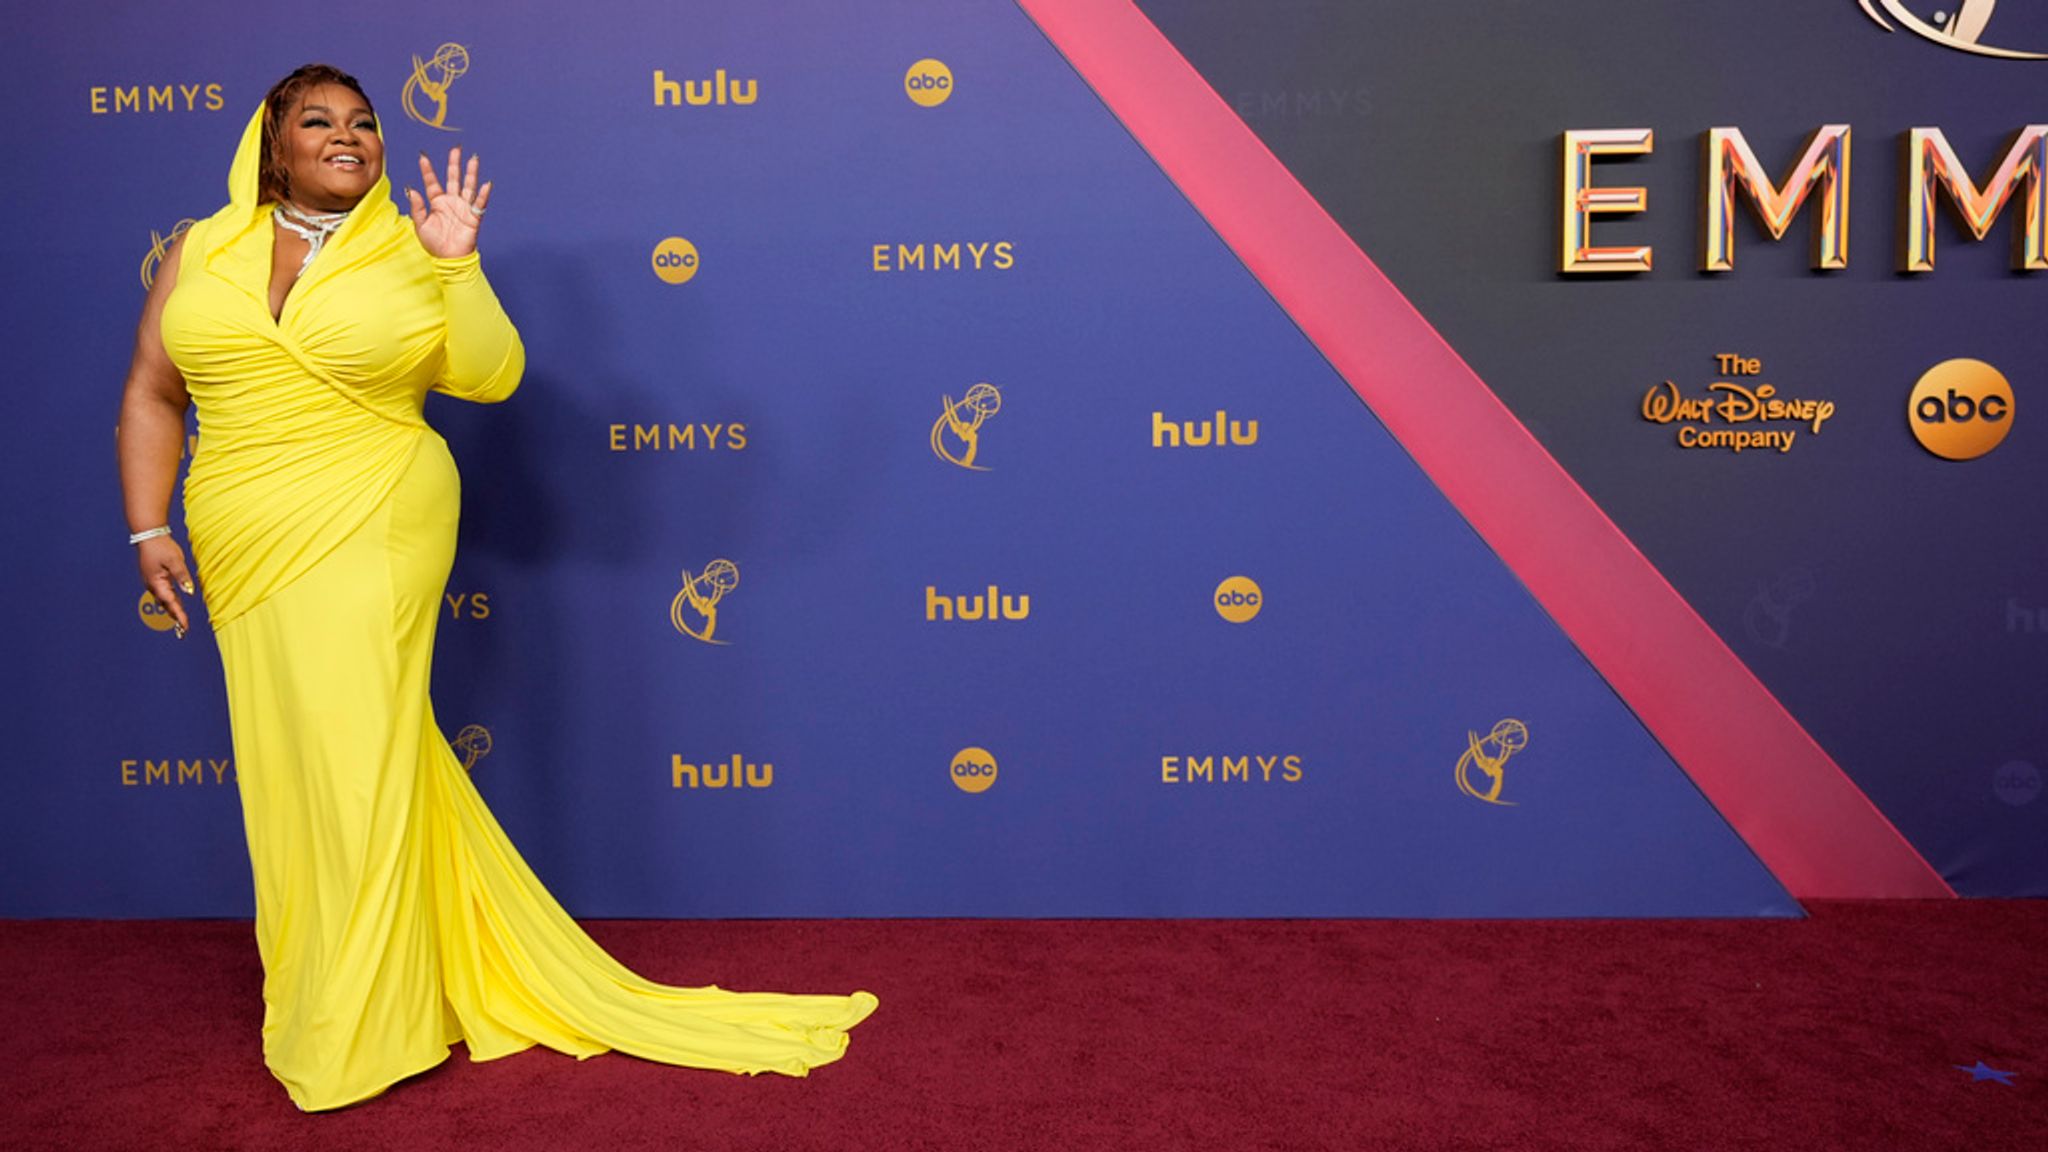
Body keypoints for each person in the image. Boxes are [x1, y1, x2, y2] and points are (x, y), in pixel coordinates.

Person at [115, 64, 876, 1113]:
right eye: (318, 121)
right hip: (241, 531)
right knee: (293, 764)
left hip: (373, 515)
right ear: (270, 144)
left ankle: (363, 1024)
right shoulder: (204, 247)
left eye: (364, 123)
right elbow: (154, 391)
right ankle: (353, 981)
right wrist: (149, 522)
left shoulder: (407, 244)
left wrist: (455, 265)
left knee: (359, 761)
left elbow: (489, 373)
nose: (348, 137)